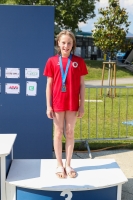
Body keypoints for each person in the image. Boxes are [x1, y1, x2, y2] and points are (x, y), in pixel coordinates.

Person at [43, 30, 88, 178]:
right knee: (57, 133)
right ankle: (59, 165)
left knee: (69, 132)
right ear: (58, 43)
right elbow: (49, 85)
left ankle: (68, 164)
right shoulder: (51, 61)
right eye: (63, 42)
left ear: (73, 44)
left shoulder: (79, 62)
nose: (66, 46)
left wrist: (82, 105)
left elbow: (82, 85)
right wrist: (48, 106)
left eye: (69, 43)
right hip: (57, 102)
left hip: (72, 102)